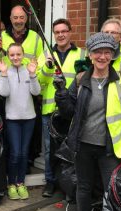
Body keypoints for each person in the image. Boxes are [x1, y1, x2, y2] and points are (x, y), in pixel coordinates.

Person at [54, 32, 121, 211]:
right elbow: (68, 112)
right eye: (97, 52)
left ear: (112, 55)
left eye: (106, 52)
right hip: (83, 145)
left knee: (110, 190)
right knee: (83, 187)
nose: (102, 57)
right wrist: (60, 93)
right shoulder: (80, 80)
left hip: (110, 148)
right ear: (90, 55)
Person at [36, 18, 86, 198]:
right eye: (57, 32)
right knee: (50, 150)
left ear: (70, 32)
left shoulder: (81, 54)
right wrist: (48, 67)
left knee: (72, 149)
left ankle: (68, 185)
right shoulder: (46, 54)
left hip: (73, 110)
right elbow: (39, 82)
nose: (60, 35)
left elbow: (85, 81)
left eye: (64, 31)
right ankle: (50, 182)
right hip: (50, 111)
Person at [0, 43, 40, 200]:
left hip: (29, 118)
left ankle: (21, 183)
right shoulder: (5, 71)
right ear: (8, 56)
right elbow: (4, 92)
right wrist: (3, 74)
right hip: (13, 119)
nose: (15, 57)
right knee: (15, 153)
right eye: (12, 55)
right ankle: (11, 183)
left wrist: (33, 74)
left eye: (18, 54)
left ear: (23, 55)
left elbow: (36, 92)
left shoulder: (29, 70)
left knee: (23, 153)